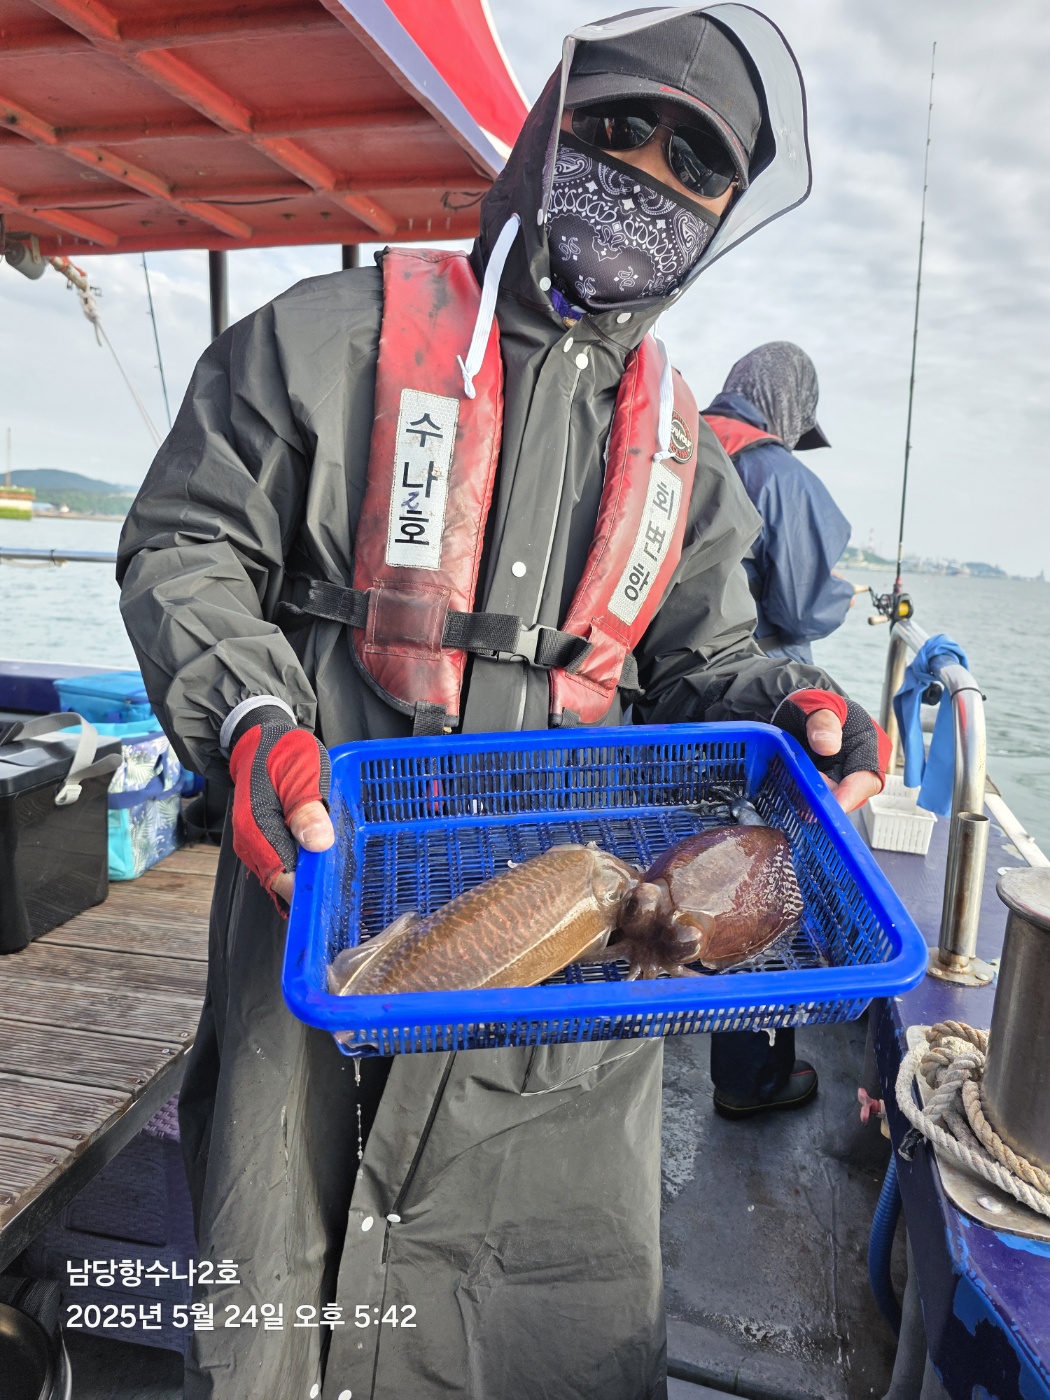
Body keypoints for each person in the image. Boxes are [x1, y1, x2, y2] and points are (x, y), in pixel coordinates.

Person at [117, 8, 887, 1399]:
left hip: (559, 1008)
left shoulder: (688, 464)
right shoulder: (327, 339)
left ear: (722, 214)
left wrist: (801, 703)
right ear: (545, 132)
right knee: (269, 1296)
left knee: (529, 1336)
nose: (644, 171)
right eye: (616, 126)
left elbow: (709, 667)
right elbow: (187, 543)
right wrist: (246, 716)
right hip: (318, 934)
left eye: (694, 162)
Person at [703, 341, 857, 665]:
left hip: (660, 667)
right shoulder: (783, 478)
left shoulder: (679, 440)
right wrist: (840, 595)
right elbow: (802, 614)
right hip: (747, 670)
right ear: (791, 405)